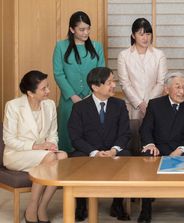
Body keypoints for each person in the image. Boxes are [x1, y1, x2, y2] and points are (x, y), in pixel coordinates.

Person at [3, 70, 68, 223]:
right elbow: (9, 139)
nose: (48, 91)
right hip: (17, 154)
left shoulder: (50, 105)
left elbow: (53, 133)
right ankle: (33, 206)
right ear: (30, 93)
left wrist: (51, 145)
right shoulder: (13, 106)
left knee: (63, 156)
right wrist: (37, 147)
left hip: (43, 153)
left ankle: (41, 206)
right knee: (51, 158)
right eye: (44, 88)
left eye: (48, 87)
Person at [68, 67, 131, 221]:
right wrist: (94, 152)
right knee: (77, 158)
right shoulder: (79, 107)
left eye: (113, 81)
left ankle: (117, 203)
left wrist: (114, 150)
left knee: (126, 156)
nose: (114, 85)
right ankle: (81, 204)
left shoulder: (120, 105)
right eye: (109, 82)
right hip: (89, 152)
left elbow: (125, 133)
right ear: (95, 87)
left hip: (112, 150)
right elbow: (75, 137)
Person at [138, 72, 184, 223]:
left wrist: (180, 150)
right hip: (159, 149)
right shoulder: (155, 104)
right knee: (147, 156)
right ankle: (145, 210)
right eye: (178, 87)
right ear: (166, 89)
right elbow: (145, 129)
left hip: (181, 150)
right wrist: (151, 144)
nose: (182, 91)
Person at [53, 11, 105, 153]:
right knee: (68, 138)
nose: (86, 32)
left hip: (92, 98)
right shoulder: (61, 46)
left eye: (88, 28)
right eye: (81, 29)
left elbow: (101, 73)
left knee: (91, 139)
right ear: (72, 29)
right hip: (69, 100)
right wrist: (73, 96)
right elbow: (58, 73)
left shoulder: (97, 46)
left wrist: (91, 94)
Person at [117, 17, 168, 154]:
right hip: (132, 105)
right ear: (133, 35)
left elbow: (161, 82)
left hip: (154, 104)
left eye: (148, 34)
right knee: (133, 142)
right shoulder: (124, 55)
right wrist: (140, 104)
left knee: (152, 143)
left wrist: (149, 104)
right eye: (141, 34)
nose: (145, 38)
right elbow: (124, 83)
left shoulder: (159, 55)